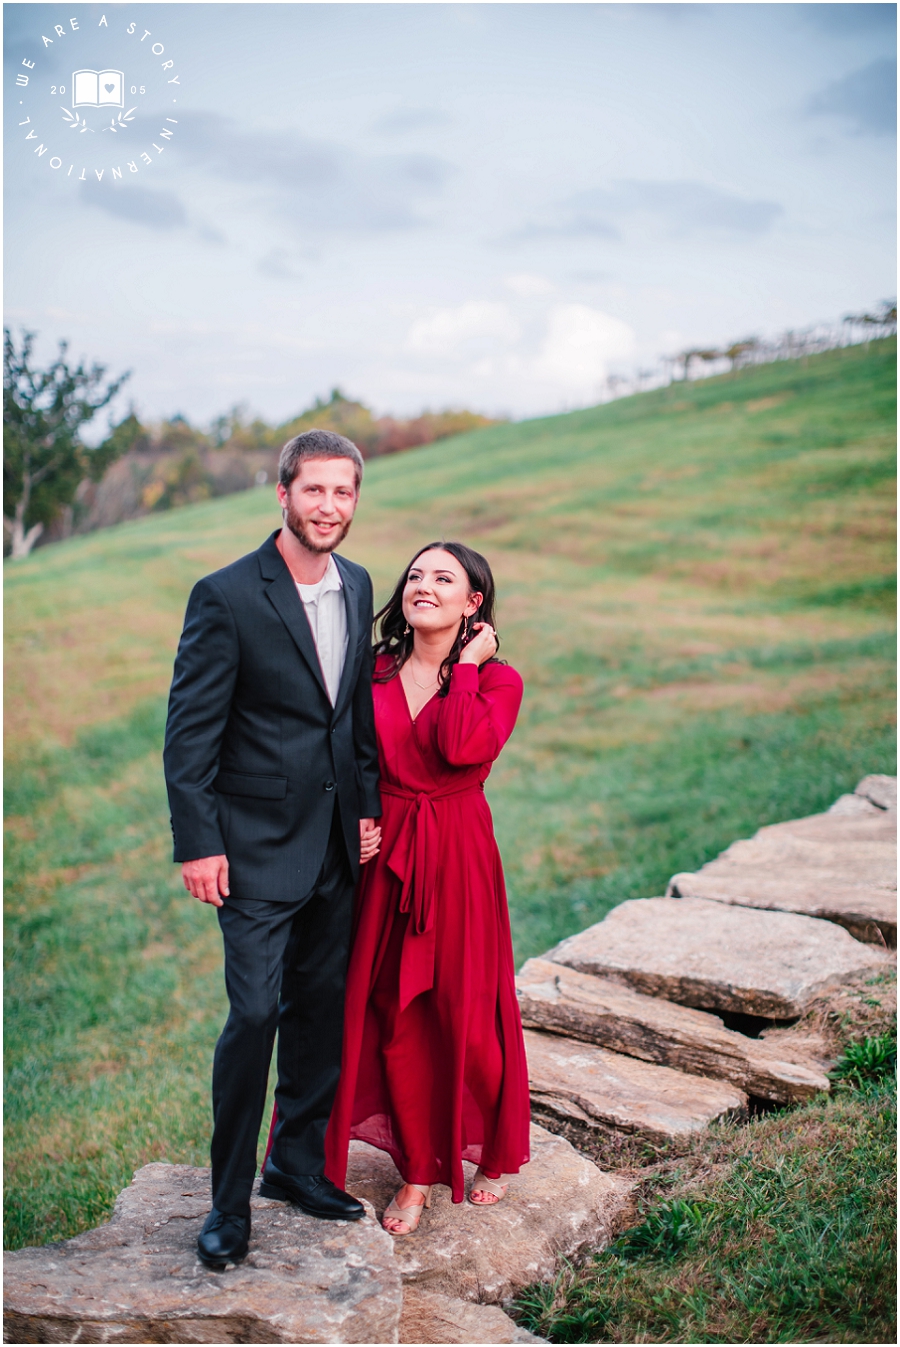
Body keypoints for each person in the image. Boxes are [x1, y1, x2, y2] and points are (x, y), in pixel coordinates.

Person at [163, 429, 383, 1270]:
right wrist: (199, 844)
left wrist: (364, 806)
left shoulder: (358, 584)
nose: (330, 507)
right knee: (255, 1014)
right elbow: (189, 739)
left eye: (344, 493)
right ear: (282, 494)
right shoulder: (225, 595)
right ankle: (225, 1206)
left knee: (320, 1012)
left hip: (335, 849)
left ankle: (294, 1165)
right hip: (251, 851)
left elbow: (353, 712)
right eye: (314, 490)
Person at [323, 541, 531, 1235]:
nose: (424, 585)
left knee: (468, 1019)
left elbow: (462, 747)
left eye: (445, 578)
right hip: (387, 859)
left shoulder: (500, 681)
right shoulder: (373, 669)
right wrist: (353, 817)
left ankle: (494, 1146)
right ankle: (416, 1171)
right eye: (415, 574)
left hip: (460, 856)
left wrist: (465, 667)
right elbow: (342, 755)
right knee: (397, 1012)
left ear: (474, 602)